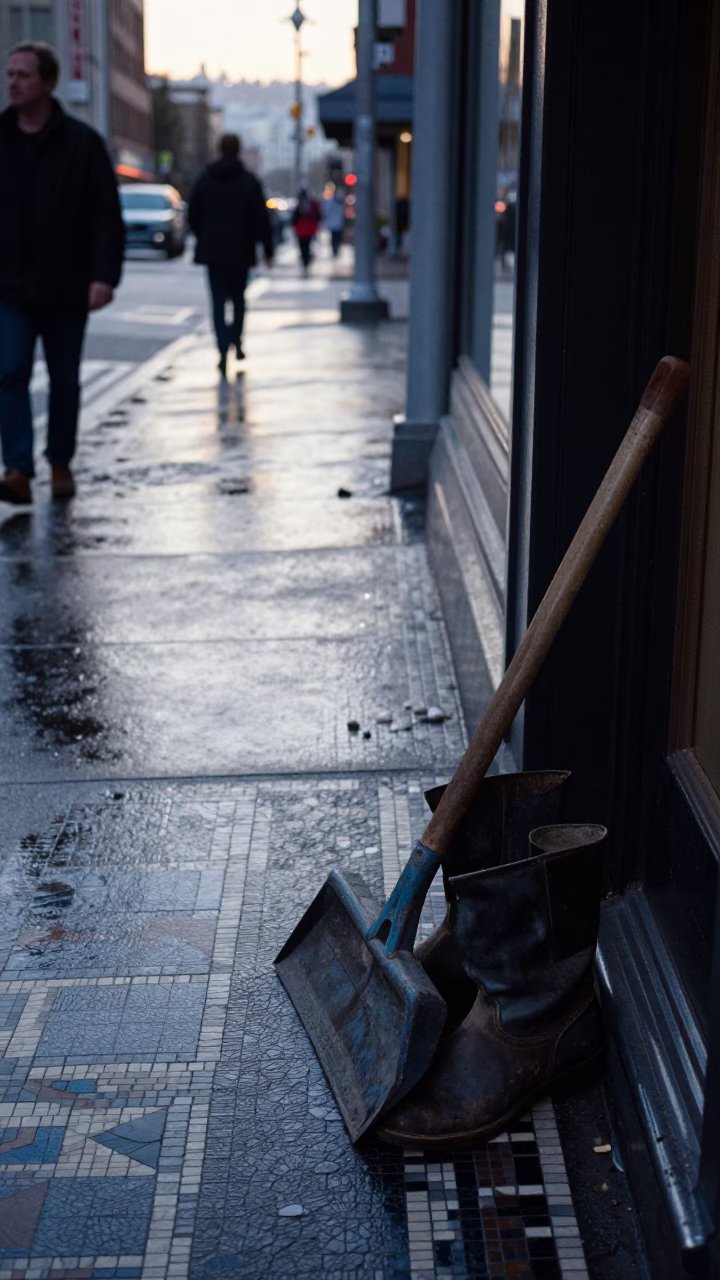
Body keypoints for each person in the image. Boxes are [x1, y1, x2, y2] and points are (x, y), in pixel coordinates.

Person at [0, 41, 125, 505]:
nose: (13, 82)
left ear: (48, 83)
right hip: (10, 285)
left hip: (67, 285)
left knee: (64, 379)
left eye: (23, 75)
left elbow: (105, 214)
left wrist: (103, 276)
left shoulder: (81, 143)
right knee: (10, 373)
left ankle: (60, 461)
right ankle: (17, 469)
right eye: (10, 74)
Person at [189, 134, 274, 379]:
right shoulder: (249, 181)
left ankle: (222, 348)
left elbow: (193, 214)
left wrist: (203, 236)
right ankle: (236, 340)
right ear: (238, 151)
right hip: (241, 252)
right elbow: (261, 219)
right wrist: (267, 250)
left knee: (217, 304)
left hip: (213, 252)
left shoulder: (206, 179)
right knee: (238, 300)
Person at [292, 188, 321, 272]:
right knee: (307, 245)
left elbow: (294, 218)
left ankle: (305, 260)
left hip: (301, 230)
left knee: (302, 246)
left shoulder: (300, 205)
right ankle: (306, 259)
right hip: (309, 229)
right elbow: (318, 216)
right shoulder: (311, 204)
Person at [321, 184, 346, 258]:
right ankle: (335, 250)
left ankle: (335, 250)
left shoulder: (334, 204)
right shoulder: (334, 203)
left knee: (335, 238)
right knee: (335, 238)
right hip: (335, 224)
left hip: (335, 224)